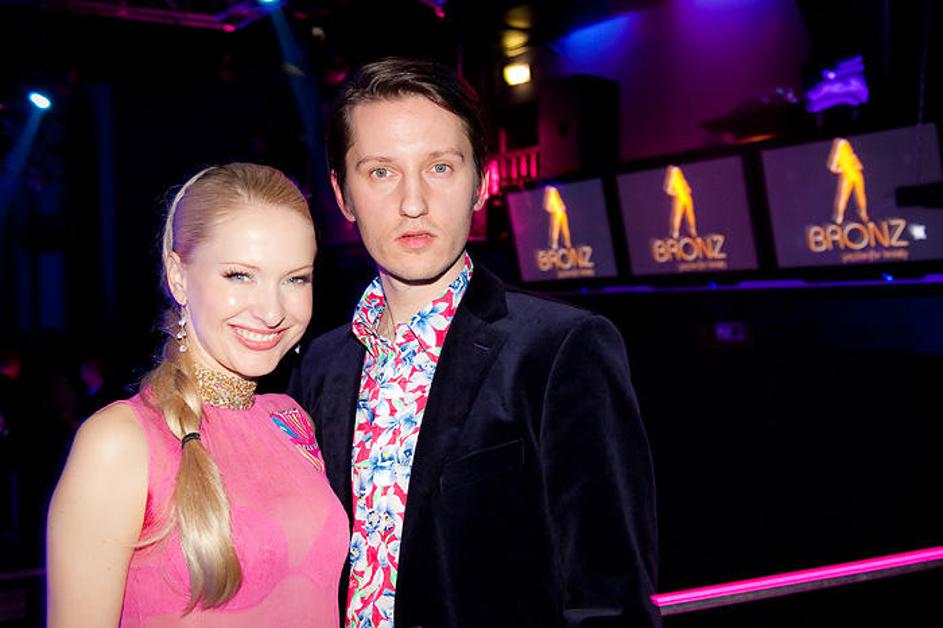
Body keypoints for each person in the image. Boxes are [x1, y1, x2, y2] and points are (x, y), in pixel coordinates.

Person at [290, 58, 660, 627]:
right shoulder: (321, 363)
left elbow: (609, 600)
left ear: (481, 183)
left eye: (440, 167)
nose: (413, 202)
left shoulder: (560, 350)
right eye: (381, 172)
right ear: (343, 195)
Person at [47, 163, 348, 627]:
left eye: (295, 279)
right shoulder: (120, 442)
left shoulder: (291, 420)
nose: (272, 310)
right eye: (240, 275)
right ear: (178, 276)